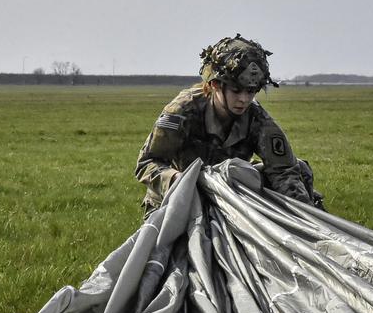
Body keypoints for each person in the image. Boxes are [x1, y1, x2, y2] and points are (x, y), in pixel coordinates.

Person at [135, 34, 323, 216]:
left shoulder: (257, 118)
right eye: (236, 91)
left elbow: (284, 170)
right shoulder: (182, 111)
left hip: (230, 199)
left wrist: (305, 217)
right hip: (176, 201)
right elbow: (147, 163)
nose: (244, 99)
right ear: (216, 85)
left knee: (300, 170)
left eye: (251, 92)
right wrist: (179, 180)